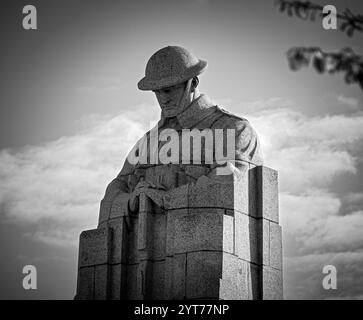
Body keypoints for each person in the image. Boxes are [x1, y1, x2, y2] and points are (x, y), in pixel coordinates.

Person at [98, 45, 263, 226]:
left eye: (169, 90)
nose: (163, 99)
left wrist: (168, 199)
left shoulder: (233, 129)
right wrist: (131, 201)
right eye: (157, 92)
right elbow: (115, 191)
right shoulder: (147, 143)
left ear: (193, 83)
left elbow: (227, 183)